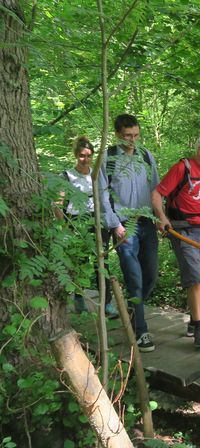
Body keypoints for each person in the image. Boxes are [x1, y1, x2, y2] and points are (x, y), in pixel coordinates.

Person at [151, 134, 200, 348]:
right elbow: (157, 194)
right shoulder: (183, 168)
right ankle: (199, 328)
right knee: (194, 278)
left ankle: (194, 323)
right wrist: (162, 218)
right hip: (183, 231)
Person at [99, 114, 160, 352]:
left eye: (136, 135)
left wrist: (159, 217)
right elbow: (103, 193)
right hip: (124, 227)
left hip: (147, 223)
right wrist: (115, 224)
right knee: (134, 279)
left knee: (151, 275)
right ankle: (141, 331)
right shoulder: (108, 158)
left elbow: (155, 188)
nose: (132, 140)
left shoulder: (146, 156)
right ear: (117, 134)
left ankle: (134, 310)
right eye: (127, 136)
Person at [54, 136, 117, 317]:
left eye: (89, 156)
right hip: (75, 222)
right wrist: (64, 226)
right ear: (76, 155)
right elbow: (57, 204)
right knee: (79, 262)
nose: (86, 159)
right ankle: (79, 297)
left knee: (102, 262)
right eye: (82, 155)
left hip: (97, 222)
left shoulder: (97, 174)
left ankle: (107, 303)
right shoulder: (67, 176)